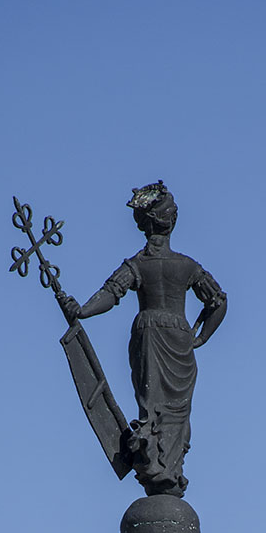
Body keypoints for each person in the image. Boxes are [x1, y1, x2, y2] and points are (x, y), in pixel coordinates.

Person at [62, 182, 226, 497]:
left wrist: (82, 310)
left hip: (149, 335)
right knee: (175, 410)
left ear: (144, 224)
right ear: (171, 222)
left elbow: (110, 294)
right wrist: (199, 336)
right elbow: (218, 302)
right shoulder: (187, 266)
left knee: (151, 406)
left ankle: (159, 466)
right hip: (178, 339)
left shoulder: (136, 266)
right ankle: (168, 469)